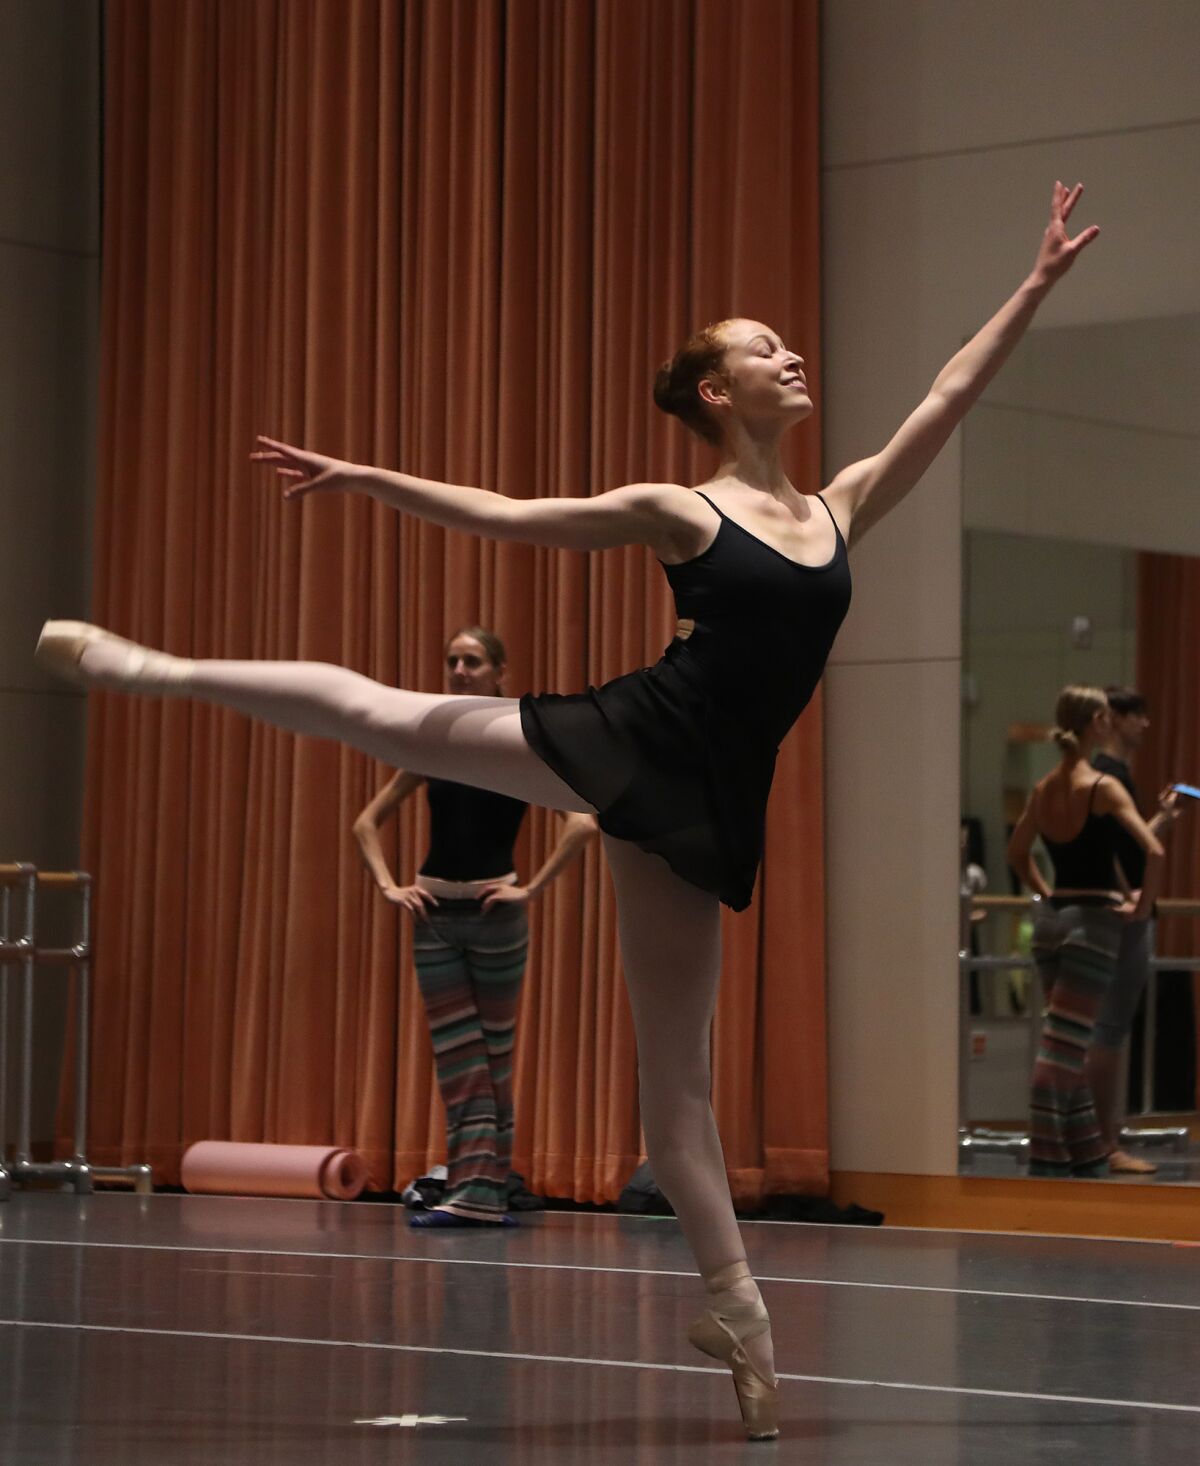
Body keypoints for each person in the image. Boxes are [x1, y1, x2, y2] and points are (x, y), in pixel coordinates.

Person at [36, 181, 1098, 1440]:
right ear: (717, 392)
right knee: (389, 714)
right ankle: (150, 668)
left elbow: (947, 397)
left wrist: (1031, 287)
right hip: (632, 738)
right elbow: (503, 517)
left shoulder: (837, 508)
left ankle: (742, 1321)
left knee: (679, 1086)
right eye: (763, 347)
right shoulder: (679, 509)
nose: (789, 353)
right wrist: (363, 473)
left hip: (708, 804)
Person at [353, 625, 596, 1227]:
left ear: (499, 671)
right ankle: (475, 1192)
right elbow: (366, 824)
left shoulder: (517, 741)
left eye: (473, 661)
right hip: (435, 913)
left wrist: (531, 888)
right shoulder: (433, 745)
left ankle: (479, 1192)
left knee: (492, 1059)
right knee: (459, 1060)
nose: (460, 670)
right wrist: (389, 885)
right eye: (453, 660)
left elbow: (582, 822)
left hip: (496, 918)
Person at [1007, 687, 1164, 1178]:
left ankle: (1089, 1155)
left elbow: (1018, 854)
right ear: (1099, 721)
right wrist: (1142, 904)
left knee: (1067, 1041)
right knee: (1062, 1049)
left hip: (1053, 920)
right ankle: (1047, 1159)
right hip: (1093, 922)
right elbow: (1152, 851)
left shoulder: (1044, 788)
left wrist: (1047, 892)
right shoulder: (1101, 787)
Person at [1088, 686, 1182, 1173]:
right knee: (1109, 1029)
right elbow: (1112, 852)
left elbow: (1131, 842)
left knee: (1107, 1028)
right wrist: (1138, 903)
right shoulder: (1107, 774)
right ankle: (1104, 1142)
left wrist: (1162, 820)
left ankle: (1103, 1136)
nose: (1145, 724)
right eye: (1138, 716)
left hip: (1117, 912)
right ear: (1115, 719)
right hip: (1124, 917)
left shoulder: (1107, 775)